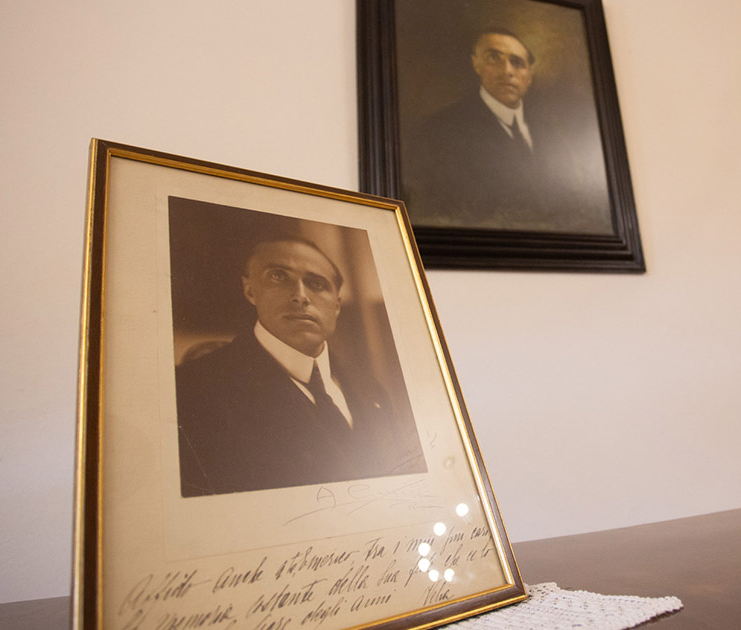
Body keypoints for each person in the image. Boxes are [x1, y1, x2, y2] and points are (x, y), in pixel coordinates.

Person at [175, 237, 427, 497]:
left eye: (316, 284)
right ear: (250, 290)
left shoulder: (369, 388)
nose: (300, 296)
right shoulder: (191, 390)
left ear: (337, 305)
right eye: (278, 277)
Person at [404, 28, 598, 232]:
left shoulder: (553, 133)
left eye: (517, 62)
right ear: (476, 64)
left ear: (529, 76)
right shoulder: (440, 130)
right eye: (494, 58)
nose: (507, 71)